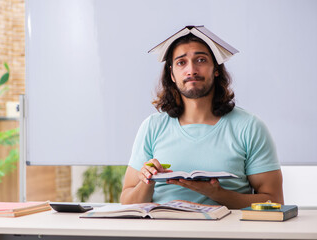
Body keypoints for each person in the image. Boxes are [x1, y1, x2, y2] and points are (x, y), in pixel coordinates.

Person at [120, 26, 284, 209]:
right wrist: (146, 182)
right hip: (164, 233)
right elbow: (127, 202)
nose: (191, 70)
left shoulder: (249, 127)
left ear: (216, 69)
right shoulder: (151, 127)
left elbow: (274, 200)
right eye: (181, 62)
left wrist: (217, 194)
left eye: (201, 60)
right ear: (172, 74)